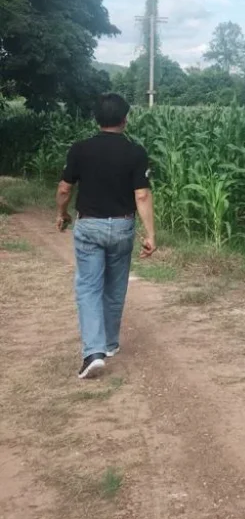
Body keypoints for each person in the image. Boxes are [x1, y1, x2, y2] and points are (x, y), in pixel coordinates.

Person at [55, 93, 157, 379]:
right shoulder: (135, 151)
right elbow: (142, 194)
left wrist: (61, 213)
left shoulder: (80, 149)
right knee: (115, 286)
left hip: (89, 227)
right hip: (123, 227)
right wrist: (150, 234)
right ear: (125, 119)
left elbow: (65, 189)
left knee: (88, 287)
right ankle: (110, 343)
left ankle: (94, 352)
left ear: (96, 119)